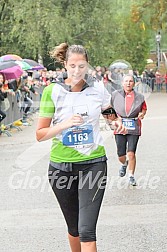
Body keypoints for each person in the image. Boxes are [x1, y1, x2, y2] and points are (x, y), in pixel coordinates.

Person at [36, 43, 126, 252]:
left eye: (82, 66)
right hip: (61, 167)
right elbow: (40, 134)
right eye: (73, 66)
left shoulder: (97, 89)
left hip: (93, 164)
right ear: (65, 65)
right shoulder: (52, 92)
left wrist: (116, 121)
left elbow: (108, 109)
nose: (77, 71)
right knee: (74, 228)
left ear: (88, 65)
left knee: (86, 230)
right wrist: (65, 124)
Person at [111, 74, 147, 186]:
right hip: (120, 127)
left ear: (134, 83)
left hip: (133, 126)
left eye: (131, 81)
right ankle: (124, 164)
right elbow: (109, 109)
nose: (128, 83)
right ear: (122, 83)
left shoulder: (140, 97)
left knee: (131, 153)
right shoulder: (115, 95)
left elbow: (144, 109)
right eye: (126, 81)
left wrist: (142, 114)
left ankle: (131, 176)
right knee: (121, 154)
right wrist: (115, 119)